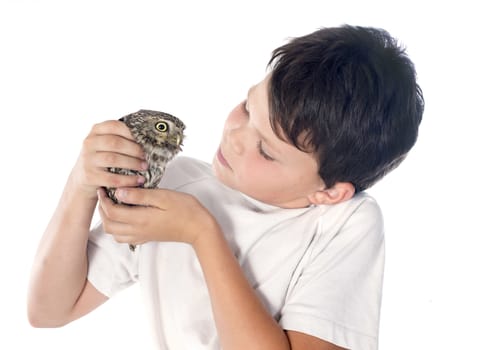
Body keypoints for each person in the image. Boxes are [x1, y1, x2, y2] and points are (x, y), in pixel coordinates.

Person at [27, 25, 424, 350]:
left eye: (266, 150)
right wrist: (80, 184)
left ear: (330, 191)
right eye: (249, 108)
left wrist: (202, 234)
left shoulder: (345, 223)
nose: (235, 135)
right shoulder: (178, 185)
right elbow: (48, 311)